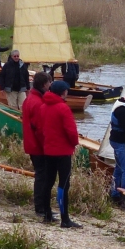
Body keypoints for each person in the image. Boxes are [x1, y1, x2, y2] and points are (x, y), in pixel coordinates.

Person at [42, 80, 81, 228]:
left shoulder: (43, 106)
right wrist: (74, 143)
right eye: (66, 91)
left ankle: (47, 214)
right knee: (64, 184)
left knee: (48, 181)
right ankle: (65, 219)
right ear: (63, 92)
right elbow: (71, 131)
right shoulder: (63, 108)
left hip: (48, 149)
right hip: (63, 150)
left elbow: (40, 128)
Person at [23, 72, 51, 222]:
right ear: (43, 84)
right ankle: (40, 207)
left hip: (31, 143)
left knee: (40, 175)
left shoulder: (30, 99)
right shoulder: (38, 103)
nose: (50, 85)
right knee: (42, 176)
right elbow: (40, 129)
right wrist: (47, 146)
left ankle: (40, 205)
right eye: (49, 83)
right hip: (38, 146)